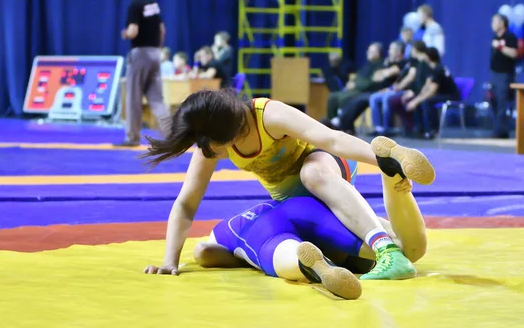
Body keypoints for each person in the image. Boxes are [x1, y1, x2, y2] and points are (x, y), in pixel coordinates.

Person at [141, 89, 436, 280]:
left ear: (225, 135)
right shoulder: (215, 142)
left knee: (312, 174)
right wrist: (170, 261)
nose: (204, 150)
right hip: (299, 199)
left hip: (326, 166)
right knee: (341, 245)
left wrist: (386, 156)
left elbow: (331, 138)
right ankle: (384, 233)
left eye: (205, 144)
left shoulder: (268, 115)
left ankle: (386, 249)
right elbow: (186, 203)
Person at [183, 166, 427, 300]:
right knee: (403, 249)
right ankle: (393, 181)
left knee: (283, 253)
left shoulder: (227, 231)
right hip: (302, 207)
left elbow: (202, 251)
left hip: (260, 233)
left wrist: (239, 260)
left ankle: (315, 268)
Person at [117, 0, 169, 147]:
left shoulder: (135, 6)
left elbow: (133, 32)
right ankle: (174, 136)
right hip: (155, 53)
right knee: (157, 99)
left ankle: (132, 138)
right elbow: (162, 29)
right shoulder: (152, 3)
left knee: (133, 97)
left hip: (140, 54)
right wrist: (158, 49)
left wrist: (124, 34)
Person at [333, 41, 407, 134]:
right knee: (356, 99)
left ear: (398, 51)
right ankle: (345, 123)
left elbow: (384, 74)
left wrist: (384, 73)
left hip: (390, 90)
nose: (389, 51)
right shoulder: (387, 62)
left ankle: (384, 128)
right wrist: (384, 73)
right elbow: (377, 76)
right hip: (379, 90)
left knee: (373, 98)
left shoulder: (402, 63)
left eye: (391, 49)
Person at [369, 40, 427, 136]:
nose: (389, 51)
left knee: (387, 98)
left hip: (406, 90)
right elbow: (380, 77)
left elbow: (409, 77)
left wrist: (397, 88)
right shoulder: (395, 62)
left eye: (391, 49)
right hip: (396, 89)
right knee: (374, 97)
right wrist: (391, 88)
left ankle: (388, 128)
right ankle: (378, 128)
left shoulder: (413, 62)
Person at [405, 47, 459, 139]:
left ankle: (432, 130)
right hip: (440, 94)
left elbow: (432, 92)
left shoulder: (439, 69)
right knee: (418, 101)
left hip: (450, 95)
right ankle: (420, 129)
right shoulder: (432, 69)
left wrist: (416, 101)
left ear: (428, 57)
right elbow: (426, 88)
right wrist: (416, 100)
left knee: (426, 102)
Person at [325, 43, 384, 121]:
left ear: (378, 53)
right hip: (355, 89)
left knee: (343, 98)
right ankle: (332, 121)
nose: (368, 53)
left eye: (371, 51)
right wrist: (351, 82)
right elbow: (358, 76)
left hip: (364, 91)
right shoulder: (367, 65)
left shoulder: (380, 66)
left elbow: (371, 82)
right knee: (332, 97)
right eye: (368, 51)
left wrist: (355, 85)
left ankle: (342, 121)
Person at [490, 13, 518, 139]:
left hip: (504, 75)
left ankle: (500, 131)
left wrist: (500, 47)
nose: (492, 24)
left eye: (495, 21)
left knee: (503, 103)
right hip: (494, 74)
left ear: (502, 23)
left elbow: (514, 53)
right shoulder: (495, 37)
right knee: (494, 101)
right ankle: (500, 129)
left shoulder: (510, 37)